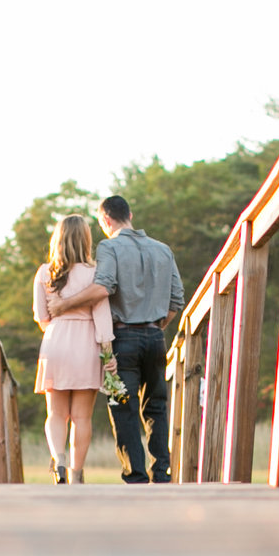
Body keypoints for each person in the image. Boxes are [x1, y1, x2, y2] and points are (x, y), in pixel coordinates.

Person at [48, 193, 182, 484]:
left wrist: (63, 305)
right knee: (157, 407)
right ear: (130, 215)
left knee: (124, 408)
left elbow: (103, 288)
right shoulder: (163, 250)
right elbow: (176, 300)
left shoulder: (109, 246)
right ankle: (162, 473)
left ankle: (136, 477)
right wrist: (157, 325)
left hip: (124, 340)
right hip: (155, 338)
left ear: (106, 220)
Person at [32, 214, 114, 485]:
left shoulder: (45, 272)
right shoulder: (95, 274)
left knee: (55, 413)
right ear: (86, 240)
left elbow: (41, 317)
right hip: (87, 342)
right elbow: (103, 318)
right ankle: (77, 473)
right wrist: (108, 352)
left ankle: (60, 461)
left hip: (55, 341)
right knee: (82, 416)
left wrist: (58, 327)